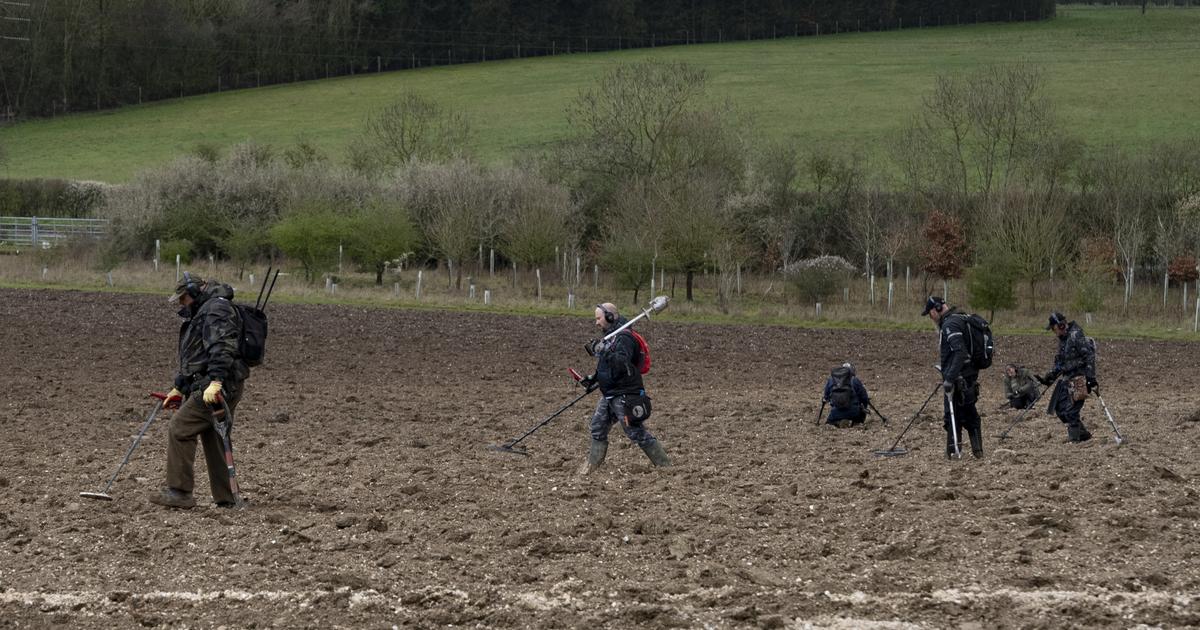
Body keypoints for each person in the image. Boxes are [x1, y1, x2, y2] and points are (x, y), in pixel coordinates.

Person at [150, 273, 250, 509]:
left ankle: (179, 492)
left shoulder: (216, 310)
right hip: (214, 382)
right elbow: (197, 354)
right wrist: (179, 386)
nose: (182, 304)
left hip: (218, 385)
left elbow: (222, 347)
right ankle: (228, 499)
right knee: (215, 436)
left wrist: (216, 381)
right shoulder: (207, 309)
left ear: (194, 293)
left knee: (179, 428)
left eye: (183, 299)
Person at [579, 303, 669, 473]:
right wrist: (593, 379)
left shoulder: (625, 338)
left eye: (598, 318)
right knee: (598, 427)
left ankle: (665, 466)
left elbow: (621, 363)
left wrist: (603, 350)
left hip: (625, 395)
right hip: (610, 394)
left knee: (635, 432)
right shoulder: (610, 337)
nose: (596, 323)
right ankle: (591, 467)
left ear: (610, 316)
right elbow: (607, 366)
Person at [922, 296, 984, 459]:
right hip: (968, 375)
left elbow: (959, 352)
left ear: (936, 309)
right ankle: (977, 450)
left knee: (953, 414)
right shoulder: (960, 319)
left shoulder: (950, 325)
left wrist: (949, 378)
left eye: (930, 314)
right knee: (968, 412)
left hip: (959, 377)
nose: (931, 318)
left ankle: (953, 451)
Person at [1037, 311, 1097, 443]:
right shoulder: (1063, 340)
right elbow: (1060, 362)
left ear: (1061, 326)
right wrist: (1049, 377)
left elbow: (1089, 356)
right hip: (1067, 377)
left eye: (1054, 329)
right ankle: (1083, 434)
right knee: (1059, 408)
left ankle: (1074, 439)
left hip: (1079, 377)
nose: (1054, 332)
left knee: (1071, 411)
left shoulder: (1076, 335)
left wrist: (1090, 378)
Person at [822, 363, 871, 427]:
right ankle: (856, 422)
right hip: (854, 412)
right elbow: (864, 398)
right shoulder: (855, 380)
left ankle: (838, 423)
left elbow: (825, 398)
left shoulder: (831, 380)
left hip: (836, 412)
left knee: (830, 422)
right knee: (860, 411)